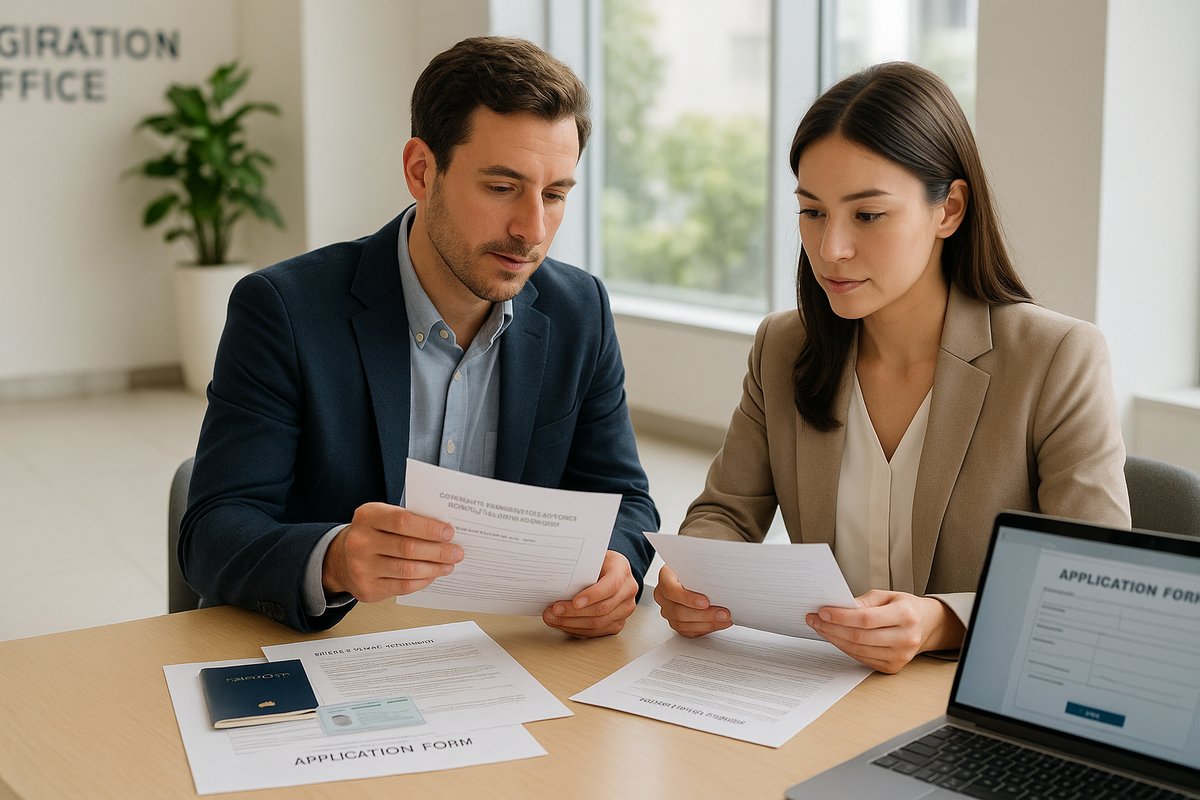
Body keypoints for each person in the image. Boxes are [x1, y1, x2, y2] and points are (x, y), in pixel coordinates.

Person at [653, 62, 1130, 673]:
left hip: (972, 697)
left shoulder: (1056, 358)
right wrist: (691, 574)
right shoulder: (783, 345)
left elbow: (1093, 579)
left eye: (868, 215)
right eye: (813, 212)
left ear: (949, 210)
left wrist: (943, 621)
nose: (832, 249)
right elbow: (725, 510)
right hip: (822, 692)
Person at [179, 36, 658, 636]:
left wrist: (618, 564)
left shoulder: (579, 309)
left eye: (555, 194)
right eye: (501, 188)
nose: (531, 229)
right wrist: (332, 559)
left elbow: (625, 502)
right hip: (333, 650)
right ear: (421, 171)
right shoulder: (284, 309)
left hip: (502, 653)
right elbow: (213, 533)